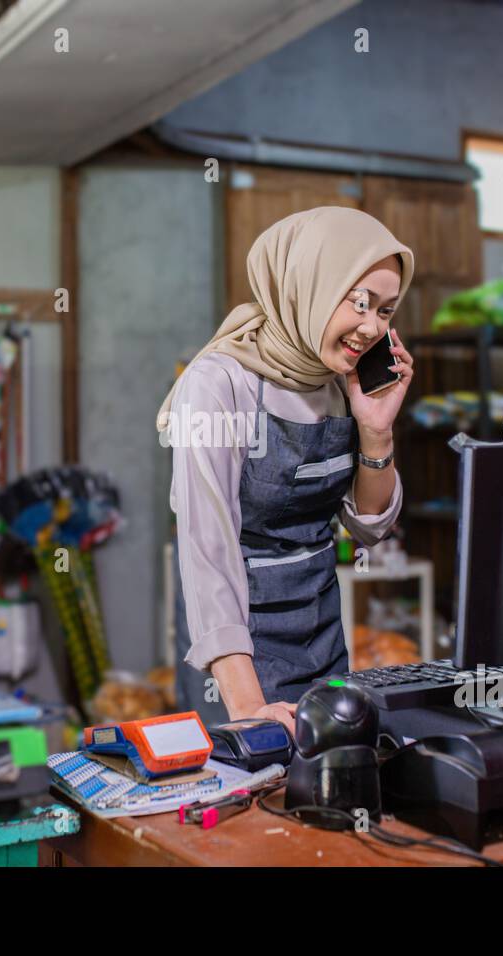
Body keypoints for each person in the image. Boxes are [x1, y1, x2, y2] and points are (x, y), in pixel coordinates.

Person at [157, 206, 415, 735]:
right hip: (235, 659)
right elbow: (207, 548)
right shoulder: (218, 384)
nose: (371, 328)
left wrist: (377, 429)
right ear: (308, 285)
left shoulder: (340, 381)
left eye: (386, 311)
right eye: (360, 303)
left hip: (322, 636)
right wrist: (248, 706)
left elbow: (370, 526)